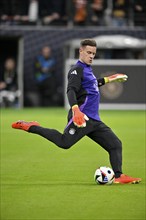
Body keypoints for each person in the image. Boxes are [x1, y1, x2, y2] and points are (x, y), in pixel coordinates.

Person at [12, 39, 141, 184]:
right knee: (64, 142)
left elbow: (92, 84)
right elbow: (71, 90)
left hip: (94, 120)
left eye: (93, 53)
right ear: (81, 51)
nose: (91, 56)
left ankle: (119, 176)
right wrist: (76, 110)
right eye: (89, 52)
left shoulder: (87, 70)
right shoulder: (76, 69)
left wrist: (110, 79)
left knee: (115, 144)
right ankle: (32, 127)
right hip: (82, 117)